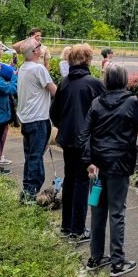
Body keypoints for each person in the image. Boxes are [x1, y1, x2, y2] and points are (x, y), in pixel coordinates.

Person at [82, 63, 138, 276]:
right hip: (120, 164)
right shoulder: (131, 102)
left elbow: (84, 133)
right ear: (124, 80)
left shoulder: (96, 103)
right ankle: (118, 262)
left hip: (96, 164)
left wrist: (88, 161)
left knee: (97, 211)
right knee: (117, 212)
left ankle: (95, 257)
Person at [50, 43, 104, 241]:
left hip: (67, 138)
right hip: (86, 141)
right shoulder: (94, 83)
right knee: (82, 182)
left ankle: (66, 225)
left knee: (70, 179)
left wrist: (63, 126)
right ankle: (78, 228)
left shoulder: (64, 83)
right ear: (87, 60)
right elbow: (103, 113)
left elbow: (53, 112)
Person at [17, 40, 57, 203]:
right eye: (39, 46)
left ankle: (27, 189)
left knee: (30, 155)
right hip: (38, 119)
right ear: (34, 52)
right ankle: (31, 192)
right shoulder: (38, 69)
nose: (41, 48)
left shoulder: (23, 68)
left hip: (26, 118)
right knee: (35, 156)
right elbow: (54, 91)